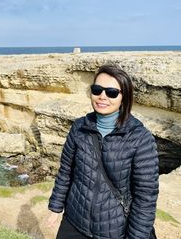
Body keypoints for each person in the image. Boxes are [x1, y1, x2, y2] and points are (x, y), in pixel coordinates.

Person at [47, 64, 159, 238]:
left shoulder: (140, 138)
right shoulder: (79, 128)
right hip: (74, 221)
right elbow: (65, 172)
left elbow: (145, 198)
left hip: (115, 230)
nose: (102, 96)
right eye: (97, 90)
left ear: (124, 97)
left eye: (112, 92)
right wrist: (56, 207)